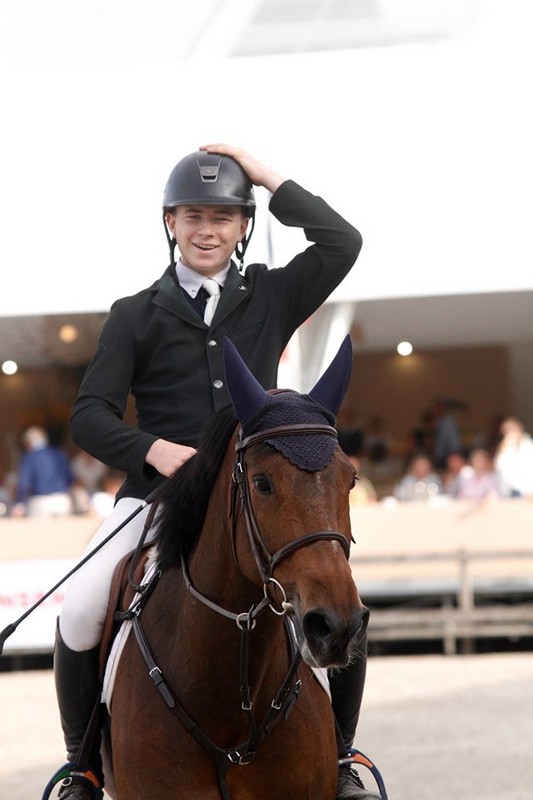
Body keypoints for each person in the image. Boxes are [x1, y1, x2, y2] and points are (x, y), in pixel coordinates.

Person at [54, 144, 378, 800]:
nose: (207, 229)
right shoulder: (134, 314)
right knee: (81, 610)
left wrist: (263, 175)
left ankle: (340, 765)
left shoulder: (270, 295)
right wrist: (150, 449)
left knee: (338, 598)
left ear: (243, 227)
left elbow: (343, 242)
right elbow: (88, 415)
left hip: (257, 496)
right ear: (169, 222)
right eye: (193, 215)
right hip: (155, 497)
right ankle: (83, 772)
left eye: (224, 216)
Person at [10, 426, 74, 518]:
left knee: (40, 532)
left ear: (28, 443)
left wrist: (20, 503)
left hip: (40, 502)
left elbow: (24, 483)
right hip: (61, 500)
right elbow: (70, 478)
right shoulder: (60, 453)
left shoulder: (29, 457)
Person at [494, 417, 533, 498]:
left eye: (510, 431)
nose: (508, 435)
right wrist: (501, 451)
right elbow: (498, 467)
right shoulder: (506, 448)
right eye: (505, 433)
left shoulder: (529, 446)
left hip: (526, 491)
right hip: (508, 491)